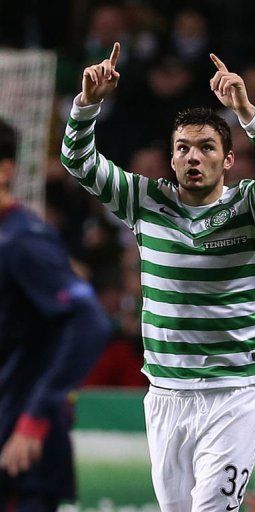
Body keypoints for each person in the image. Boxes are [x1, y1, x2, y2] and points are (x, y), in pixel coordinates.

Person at [61, 42, 255, 512]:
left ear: (227, 161)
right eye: (183, 148)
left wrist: (247, 113)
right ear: (171, 159)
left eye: (207, 147)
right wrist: (87, 104)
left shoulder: (251, 207)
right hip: (167, 391)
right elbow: (78, 161)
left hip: (232, 390)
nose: (194, 157)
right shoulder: (145, 201)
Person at [0, 118, 110, 511]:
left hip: (22, 454)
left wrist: (37, 414)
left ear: (6, 169)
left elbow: (89, 320)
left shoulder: (23, 240)